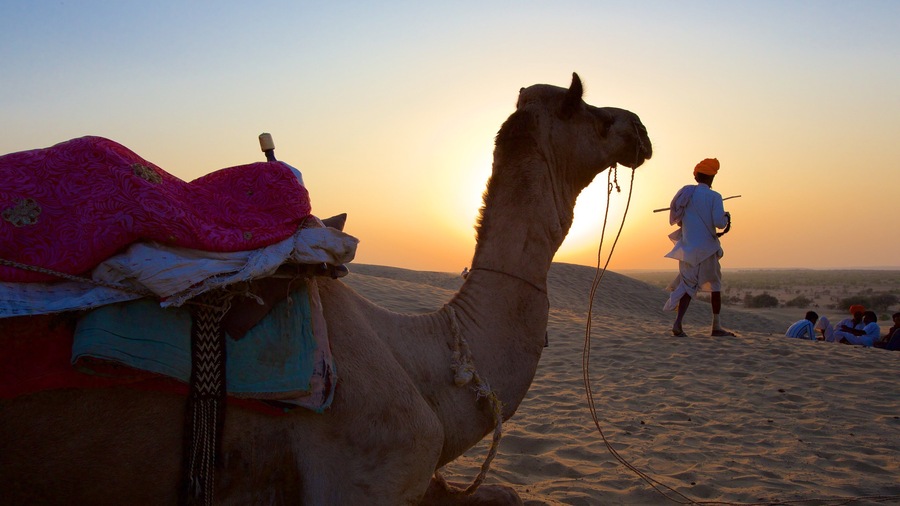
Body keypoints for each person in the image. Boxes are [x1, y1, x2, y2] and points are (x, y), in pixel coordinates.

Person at [663, 158, 734, 337]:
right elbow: (719, 223)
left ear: (697, 176)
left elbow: (679, 221)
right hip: (707, 250)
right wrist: (726, 217)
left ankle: (678, 323)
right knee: (715, 286)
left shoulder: (686, 195)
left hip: (687, 249)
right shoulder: (714, 197)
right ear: (711, 178)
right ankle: (716, 327)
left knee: (688, 285)